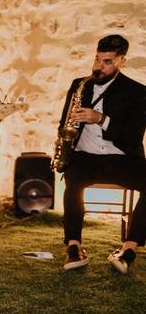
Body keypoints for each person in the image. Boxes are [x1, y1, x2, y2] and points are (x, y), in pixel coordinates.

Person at [59, 34, 146, 274]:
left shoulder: (137, 92)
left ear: (121, 61)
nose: (99, 67)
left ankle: (129, 248)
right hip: (86, 157)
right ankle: (74, 246)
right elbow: (63, 124)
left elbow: (133, 136)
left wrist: (101, 119)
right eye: (97, 59)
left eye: (107, 62)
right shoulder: (80, 85)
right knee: (73, 180)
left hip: (122, 158)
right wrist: (65, 137)